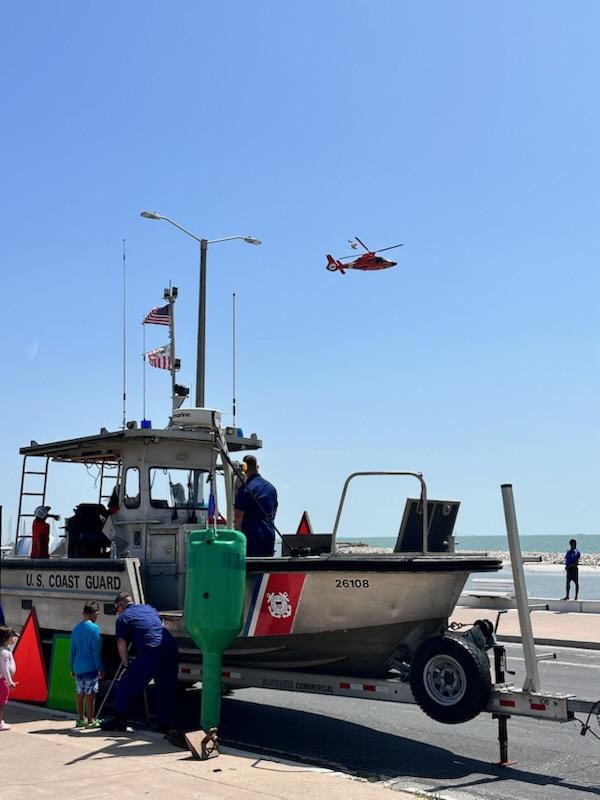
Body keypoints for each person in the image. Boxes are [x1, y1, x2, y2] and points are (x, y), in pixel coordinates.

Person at [100, 593, 179, 733]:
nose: (117, 612)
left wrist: (125, 664)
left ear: (121, 605)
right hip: (170, 648)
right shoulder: (149, 608)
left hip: (151, 651)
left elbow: (121, 642)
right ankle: (164, 724)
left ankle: (120, 719)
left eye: (116, 609)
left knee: (126, 683)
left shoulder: (123, 617)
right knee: (166, 687)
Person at [234, 455, 278, 556]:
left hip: (252, 537)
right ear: (257, 466)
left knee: (251, 569)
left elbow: (238, 516)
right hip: (269, 535)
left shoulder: (245, 489)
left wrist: (234, 536)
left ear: (244, 467)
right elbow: (274, 510)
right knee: (263, 568)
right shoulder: (271, 488)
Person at [70, 601, 104, 728]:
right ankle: (90, 721)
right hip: (90, 667)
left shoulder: (76, 628)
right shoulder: (95, 629)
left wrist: (72, 667)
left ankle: (80, 719)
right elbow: (96, 651)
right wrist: (100, 668)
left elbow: (72, 650)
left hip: (78, 667)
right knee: (90, 695)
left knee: (80, 693)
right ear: (95, 613)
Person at [0, 627, 18, 731]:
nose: (14, 639)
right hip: (2, 681)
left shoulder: (3, 650)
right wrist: (10, 682)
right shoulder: (5, 653)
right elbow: (5, 669)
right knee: (1, 703)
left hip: (2, 680)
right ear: (6, 638)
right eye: (12, 637)